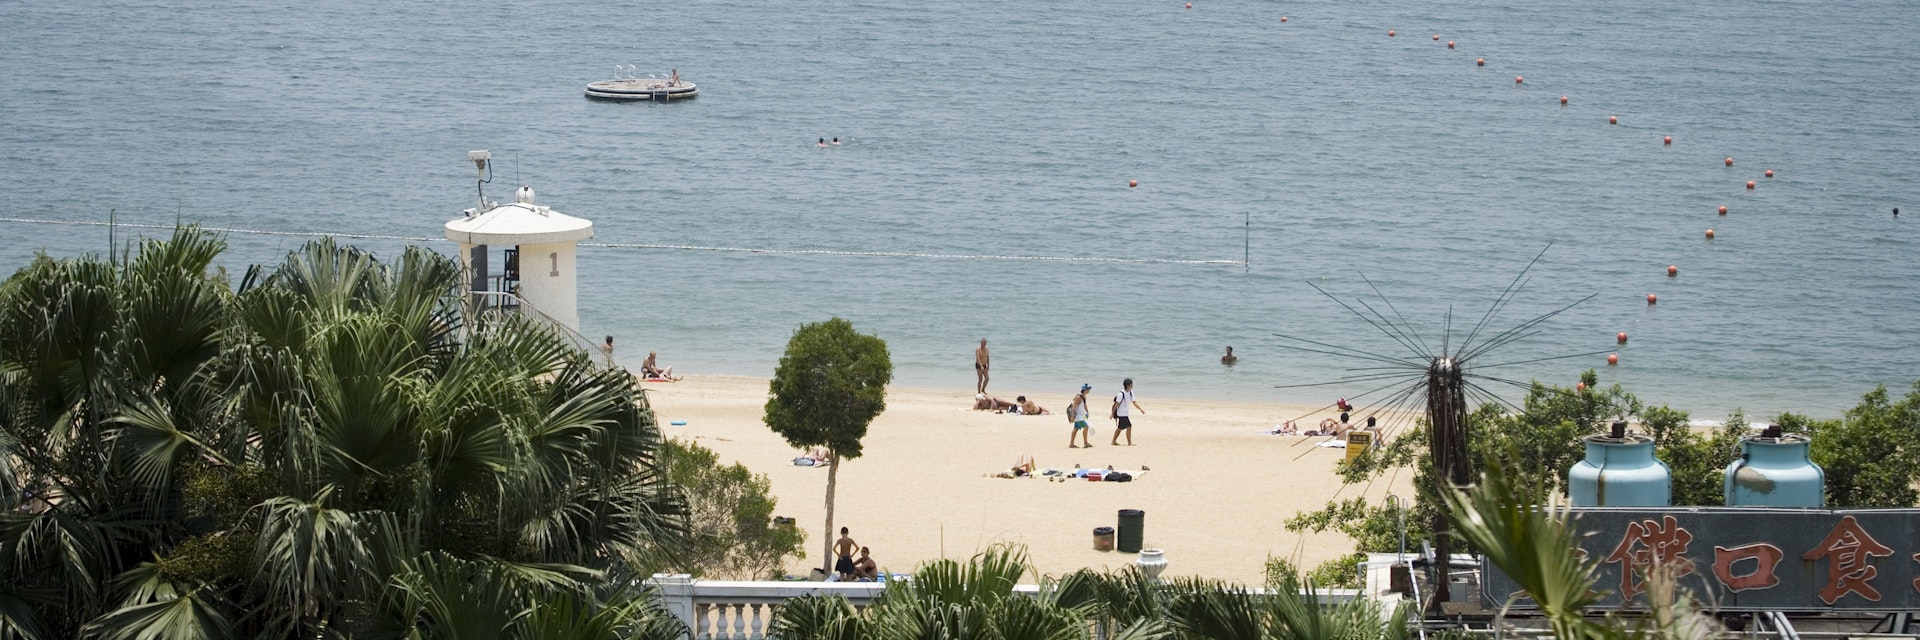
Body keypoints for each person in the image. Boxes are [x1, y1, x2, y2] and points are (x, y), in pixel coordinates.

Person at [1110, 378, 1144, 446]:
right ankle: (1129, 443)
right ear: (1128, 385)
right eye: (1131, 384)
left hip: (1125, 413)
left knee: (1120, 428)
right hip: (1121, 413)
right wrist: (1112, 413)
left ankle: (1113, 441)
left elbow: (1134, 402)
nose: (1132, 386)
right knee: (1129, 426)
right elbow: (1116, 404)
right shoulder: (1121, 394)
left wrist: (1140, 409)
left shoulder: (1131, 393)